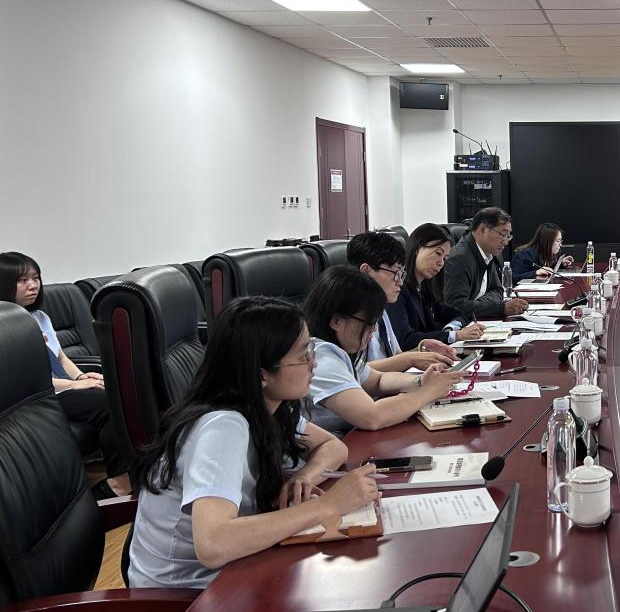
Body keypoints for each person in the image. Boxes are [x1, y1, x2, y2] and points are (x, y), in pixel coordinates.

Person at [128, 296, 380, 588]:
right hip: (187, 595)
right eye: (303, 356)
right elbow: (213, 545)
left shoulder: (267, 406)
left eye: (310, 348)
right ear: (262, 374)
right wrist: (328, 505)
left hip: (237, 570)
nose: (314, 363)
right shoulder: (222, 428)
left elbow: (333, 447)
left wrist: (303, 478)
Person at [0, 252, 130, 499]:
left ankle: (132, 472)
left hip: (62, 387)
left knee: (120, 393)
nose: (33, 285)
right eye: (22, 280)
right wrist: (73, 385)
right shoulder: (5, 327)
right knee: (110, 403)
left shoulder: (40, 317)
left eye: (36, 278)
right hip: (38, 398)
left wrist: (82, 377)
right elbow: (27, 382)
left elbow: (60, 357)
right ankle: (118, 484)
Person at [304, 266, 464, 435]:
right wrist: (428, 392)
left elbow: (378, 380)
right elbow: (372, 416)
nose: (374, 330)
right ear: (336, 321)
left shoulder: (338, 350)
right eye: (370, 323)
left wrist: (421, 381)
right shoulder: (321, 360)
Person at [346, 230, 456, 373]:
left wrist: (422, 349)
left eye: (402, 275)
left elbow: (395, 355)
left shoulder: (380, 311)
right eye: (395, 274)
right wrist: (411, 359)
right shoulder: (348, 318)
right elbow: (355, 372)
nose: (400, 282)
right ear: (366, 271)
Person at [389, 223, 485, 349]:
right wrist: (455, 335)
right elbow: (405, 340)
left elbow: (459, 314)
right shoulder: (397, 289)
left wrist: (450, 328)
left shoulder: (425, 286)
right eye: (438, 253)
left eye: (445, 258)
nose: (441, 263)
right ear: (418, 248)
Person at [444, 207, 529, 318]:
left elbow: (497, 290)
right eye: (502, 235)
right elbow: (456, 306)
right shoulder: (459, 258)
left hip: (479, 319)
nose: (506, 242)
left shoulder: (488, 252)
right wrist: (500, 308)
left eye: (508, 236)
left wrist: (480, 305)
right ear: (483, 229)